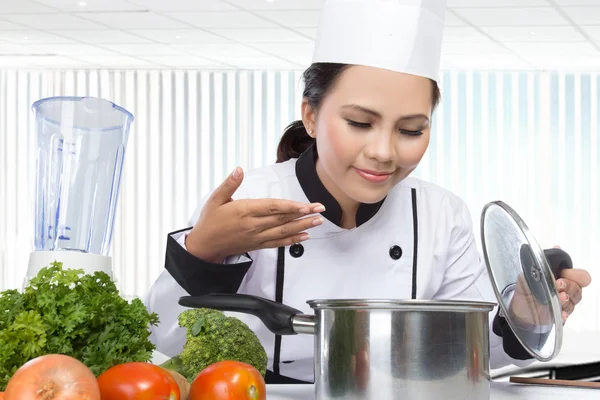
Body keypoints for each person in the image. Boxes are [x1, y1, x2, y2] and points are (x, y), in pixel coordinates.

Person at [144, 0, 592, 384]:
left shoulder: (439, 213)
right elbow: (165, 336)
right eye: (360, 123)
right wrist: (203, 251)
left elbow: (472, 353)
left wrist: (526, 315)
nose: (383, 152)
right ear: (312, 116)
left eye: (411, 129)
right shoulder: (250, 198)